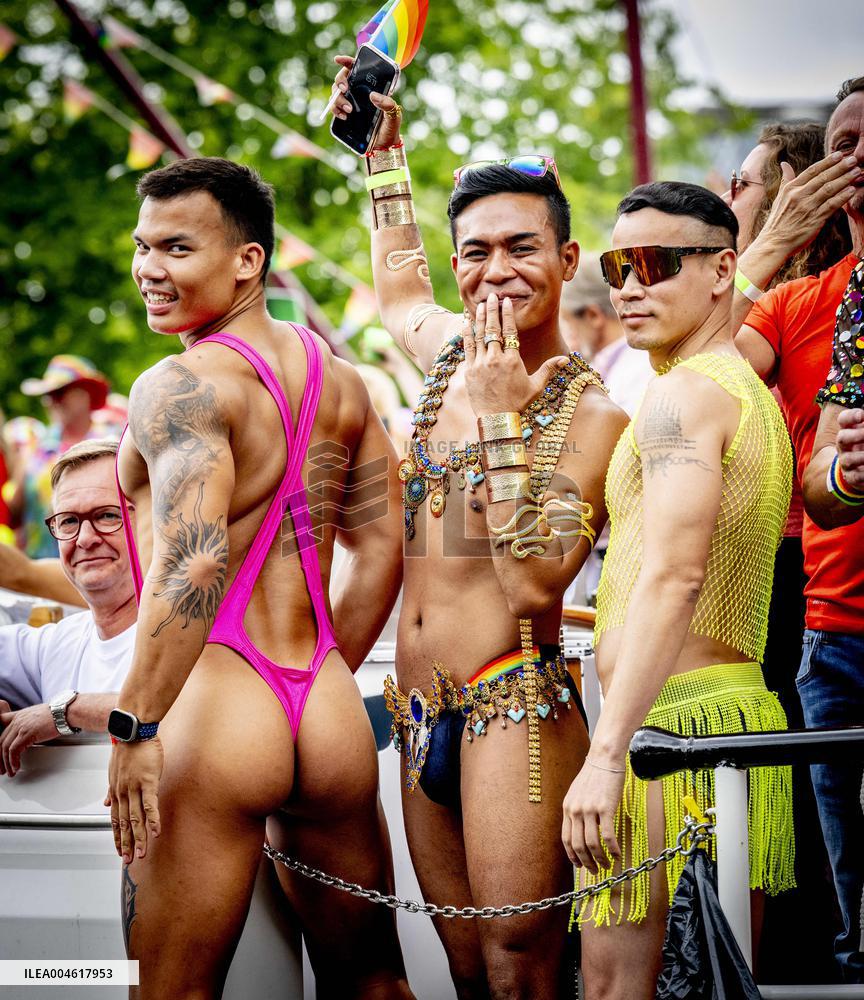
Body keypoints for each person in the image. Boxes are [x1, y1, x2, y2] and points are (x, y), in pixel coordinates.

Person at [330, 60, 628, 996]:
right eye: (476, 251)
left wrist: (502, 419)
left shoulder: (595, 416)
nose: (494, 271)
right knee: (462, 963)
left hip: (515, 706)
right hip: (417, 712)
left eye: (521, 248)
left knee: (517, 962)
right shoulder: (447, 351)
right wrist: (385, 160)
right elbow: (395, 287)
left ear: (569, 261)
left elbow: (538, 584)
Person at [104, 156, 412, 999]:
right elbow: (382, 544)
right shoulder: (340, 380)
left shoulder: (181, 383)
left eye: (174, 247)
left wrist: (136, 727)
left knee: (168, 991)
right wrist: (325, 669)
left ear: (247, 261)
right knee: (376, 986)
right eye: (141, 247)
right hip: (324, 706)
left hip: (213, 704)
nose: (147, 270)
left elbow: (195, 561)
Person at [561, 182, 793, 1000]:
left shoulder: (682, 394)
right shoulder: (742, 392)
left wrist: (606, 752)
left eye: (656, 264)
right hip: (732, 718)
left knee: (617, 989)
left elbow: (674, 575)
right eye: (618, 265)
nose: (629, 285)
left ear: (724, 270)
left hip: (669, 733)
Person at [734, 76, 864, 982]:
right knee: (853, 908)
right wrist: (761, 241)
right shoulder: (800, 300)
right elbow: (694, 380)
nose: (857, 157)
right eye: (844, 141)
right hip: (837, 633)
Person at [0, 439, 136, 777]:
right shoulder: (53, 645)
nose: (85, 538)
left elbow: (190, 714)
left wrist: (64, 711)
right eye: (68, 521)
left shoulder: (199, 633)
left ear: (149, 523)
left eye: (107, 516)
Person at [8, 355, 115, 558]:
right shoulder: (38, 446)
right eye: (47, 395)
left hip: (95, 561)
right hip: (37, 567)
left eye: (59, 393)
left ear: (86, 394)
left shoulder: (111, 444)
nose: (51, 402)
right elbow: (16, 507)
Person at [559, 252, 654, 417]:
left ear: (593, 316)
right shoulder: (611, 364)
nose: (568, 338)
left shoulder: (639, 369)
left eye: (568, 324)